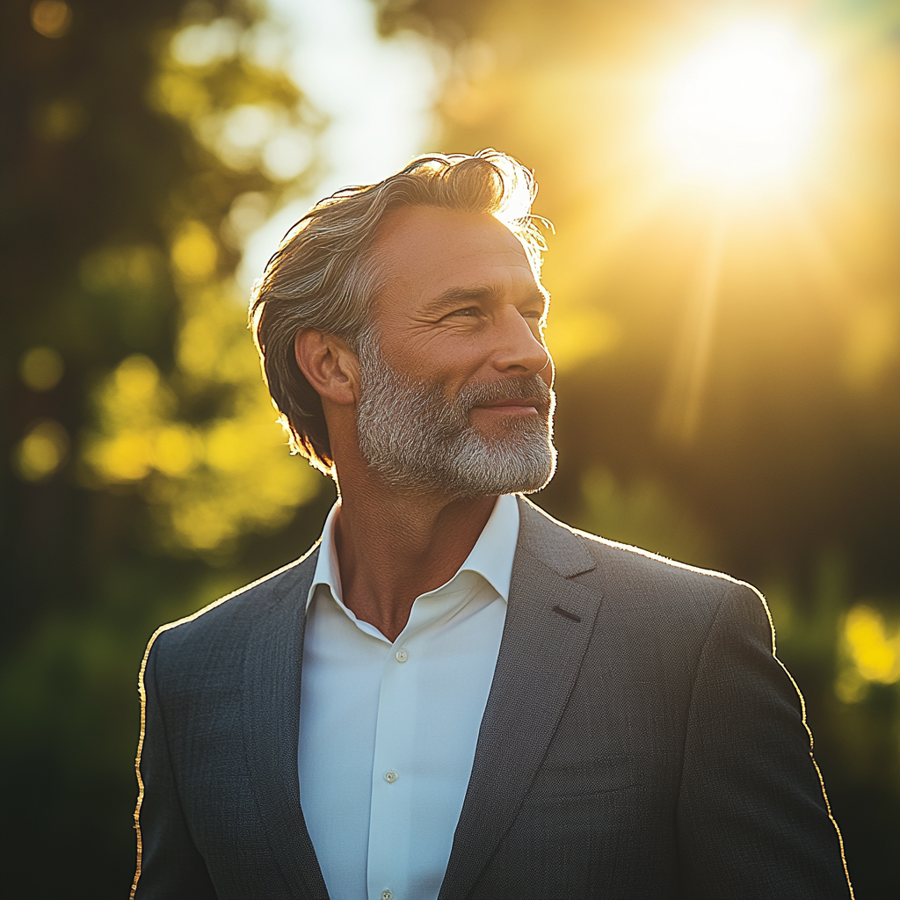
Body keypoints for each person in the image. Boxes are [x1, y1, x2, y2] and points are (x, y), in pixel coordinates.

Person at [130, 150, 853, 900]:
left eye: (531, 314)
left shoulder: (688, 640)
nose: (529, 353)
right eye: (466, 313)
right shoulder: (194, 671)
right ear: (334, 366)